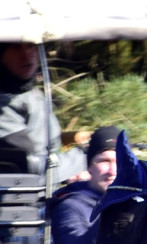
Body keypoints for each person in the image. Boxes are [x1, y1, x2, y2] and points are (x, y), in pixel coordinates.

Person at [0, 41, 86, 181]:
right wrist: (87, 156)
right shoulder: (4, 105)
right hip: (24, 198)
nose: (26, 54)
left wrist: (70, 137)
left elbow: (38, 139)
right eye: (16, 47)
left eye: (30, 46)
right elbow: (30, 169)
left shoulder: (27, 92)